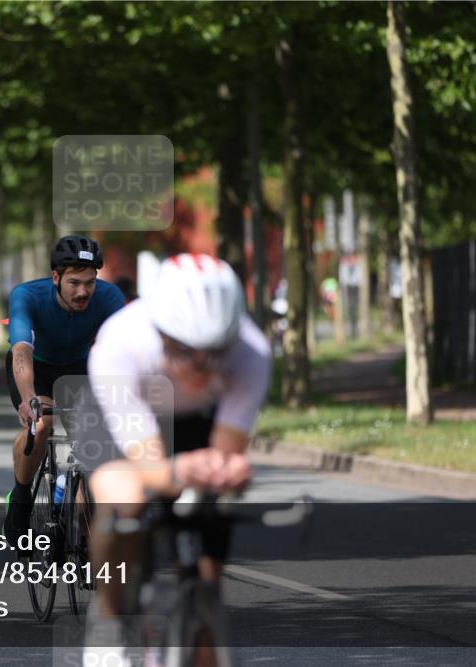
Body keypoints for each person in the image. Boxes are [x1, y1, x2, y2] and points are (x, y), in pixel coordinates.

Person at [83, 253, 272, 664]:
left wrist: (225, 471)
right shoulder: (122, 344)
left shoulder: (252, 352)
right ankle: (111, 617)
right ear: (160, 332)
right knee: (126, 500)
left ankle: (197, 620)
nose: (201, 368)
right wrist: (178, 472)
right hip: (129, 412)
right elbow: (152, 467)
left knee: (206, 560)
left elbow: (221, 457)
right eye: (186, 351)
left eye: (216, 352)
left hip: (196, 420)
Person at [3, 235, 126, 549]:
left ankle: (77, 520)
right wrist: (30, 399)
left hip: (81, 368)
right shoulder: (27, 296)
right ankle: (20, 500)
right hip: (37, 368)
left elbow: (122, 353)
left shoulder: (110, 298)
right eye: (74, 283)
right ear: (55, 277)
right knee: (41, 425)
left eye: (90, 282)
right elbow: (20, 352)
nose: (83, 291)